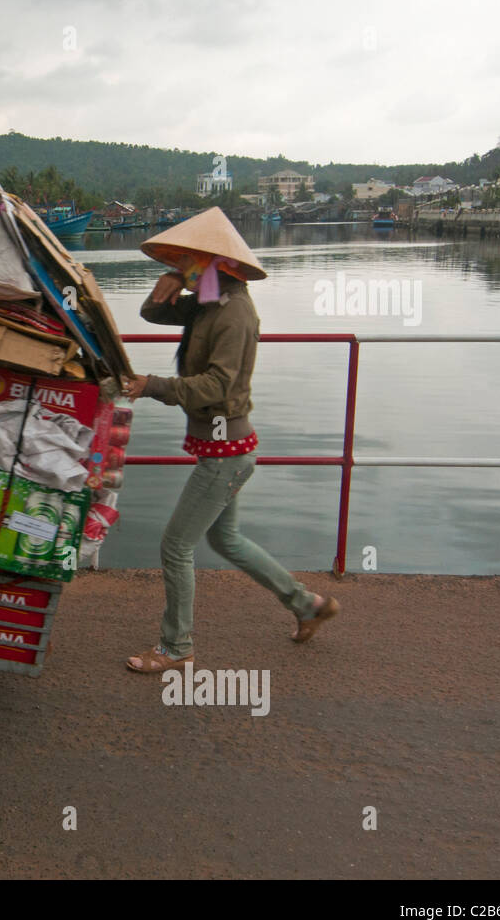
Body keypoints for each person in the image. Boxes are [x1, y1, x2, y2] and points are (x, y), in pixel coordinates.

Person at [122, 207, 338, 673]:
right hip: (223, 448)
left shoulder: (234, 312)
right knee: (227, 539)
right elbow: (153, 313)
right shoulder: (207, 300)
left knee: (175, 546)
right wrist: (167, 286)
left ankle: (176, 647)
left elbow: (217, 386)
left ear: (215, 262)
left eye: (187, 260)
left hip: (226, 453)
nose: (181, 266)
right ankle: (307, 605)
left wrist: (151, 385)